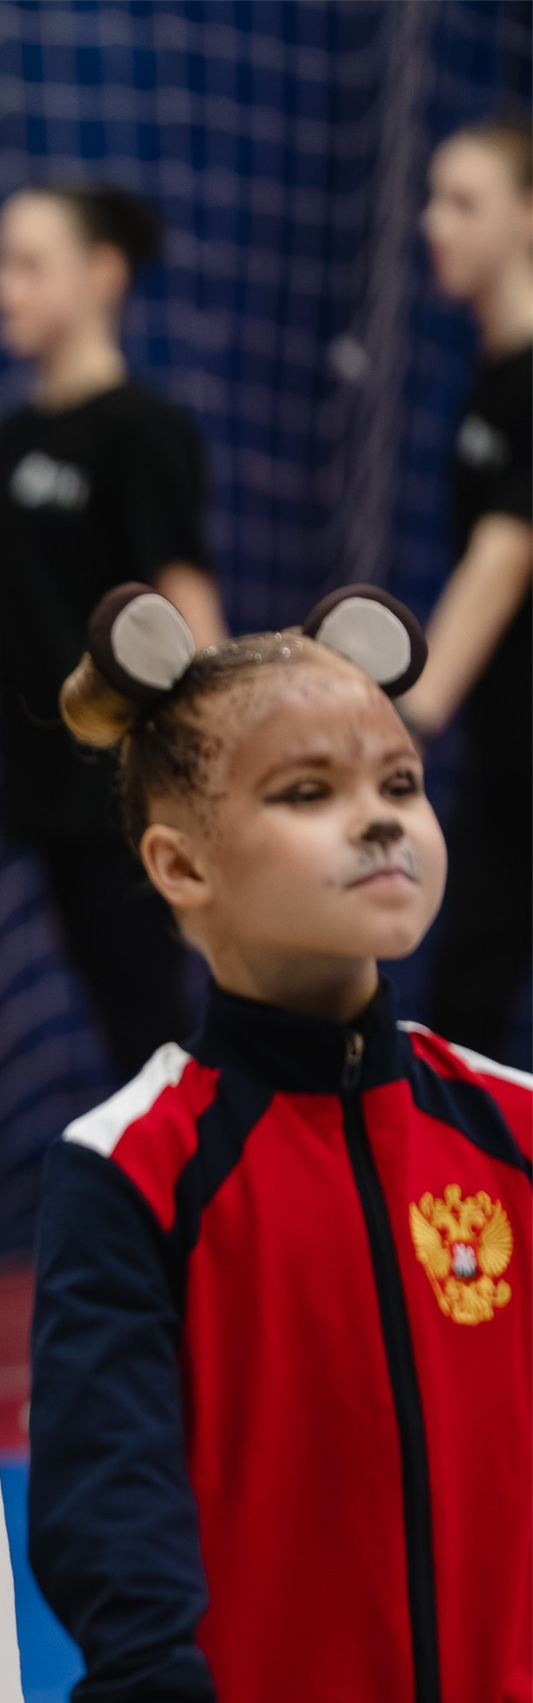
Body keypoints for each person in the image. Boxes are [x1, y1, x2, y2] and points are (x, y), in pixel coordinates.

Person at [28, 583, 531, 1703]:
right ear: (181, 868)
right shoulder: (129, 1169)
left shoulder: (514, 1129)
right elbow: (108, 1514)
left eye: (397, 783)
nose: (379, 817)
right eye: (308, 792)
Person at [0, 182, 226, 1080]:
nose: (1, 287)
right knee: (122, 1020)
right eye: (0, 264)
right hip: (49, 788)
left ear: (101, 274)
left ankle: (194, 1207)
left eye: (28, 265)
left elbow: (185, 605)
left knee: (154, 1021)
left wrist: (229, 765)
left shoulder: (142, 434)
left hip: (138, 789)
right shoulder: (6, 445)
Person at [408, 117, 533, 1062]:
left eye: (462, 202)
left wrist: (410, 712)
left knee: (468, 1005)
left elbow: (503, 560)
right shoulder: (491, 381)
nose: (432, 223)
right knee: (467, 1003)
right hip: (508, 761)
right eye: (432, 199)